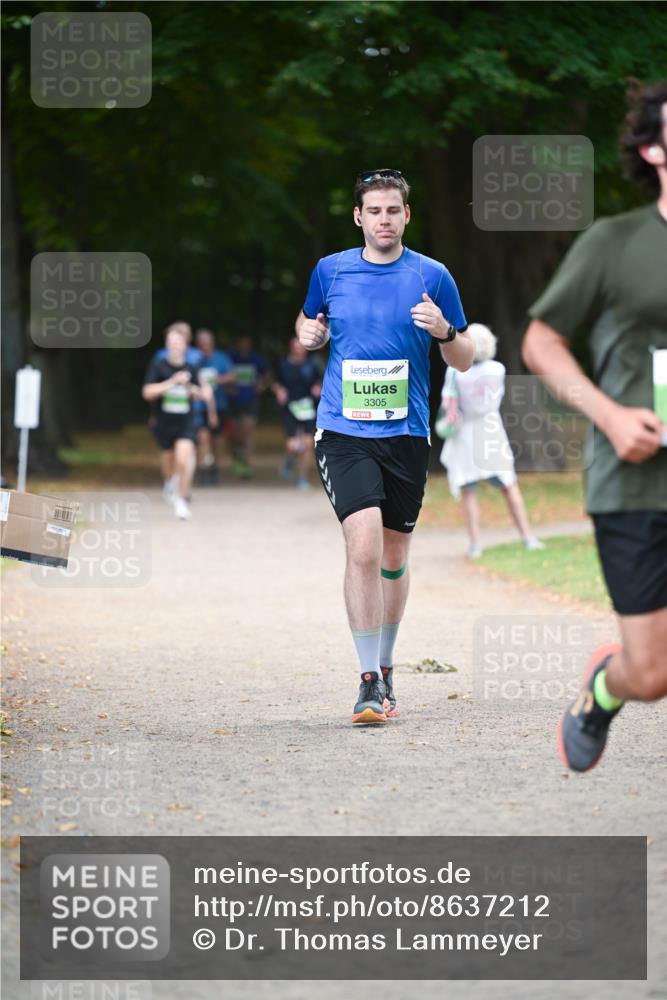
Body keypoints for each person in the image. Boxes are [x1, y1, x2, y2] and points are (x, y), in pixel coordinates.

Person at [522, 79, 667, 772]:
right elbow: (540, 342)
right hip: (635, 483)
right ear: (653, 149)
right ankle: (606, 687)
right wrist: (609, 416)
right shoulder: (614, 242)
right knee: (652, 675)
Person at [296, 168, 474, 724]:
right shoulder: (330, 270)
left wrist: (444, 331)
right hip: (344, 432)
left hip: (406, 434)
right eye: (374, 211)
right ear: (358, 217)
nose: (384, 220)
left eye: (393, 210)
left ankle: (388, 663)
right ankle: (368, 680)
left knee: (395, 557)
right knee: (365, 549)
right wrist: (307, 334)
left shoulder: (432, 275)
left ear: (406, 215)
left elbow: (465, 357)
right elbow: (307, 322)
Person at [439, 322, 544, 557]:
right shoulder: (497, 369)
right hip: (491, 430)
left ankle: (475, 544)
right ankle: (527, 537)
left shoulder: (454, 372)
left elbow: (448, 402)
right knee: (509, 485)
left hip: (465, 433)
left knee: (468, 490)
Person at [142, 327, 218, 520]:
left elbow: (204, 394)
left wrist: (188, 386)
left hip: (186, 421)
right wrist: (171, 382)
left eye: (178, 342)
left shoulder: (192, 368)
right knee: (168, 463)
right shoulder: (159, 366)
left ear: (185, 346)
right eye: (171, 342)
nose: (175, 346)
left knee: (184, 458)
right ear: (167, 345)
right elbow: (147, 392)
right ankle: (169, 482)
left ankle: (181, 500)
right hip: (165, 421)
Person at [272, 338, 322, 490]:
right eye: (296, 347)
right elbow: (274, 382)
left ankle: (302, 477)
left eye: (301, 347)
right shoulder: (283, 364)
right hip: (290, 407)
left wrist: (317, 388)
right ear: (291, 348)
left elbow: (319, 381)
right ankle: (290, 460)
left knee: (307, 444)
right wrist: (279, 390)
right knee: (292, 445)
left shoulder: (312, 365)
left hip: (307, 407)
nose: (299, 350)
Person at [193, 328, 235, 484]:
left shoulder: (221, 358)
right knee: (202, 437)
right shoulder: (194, 359)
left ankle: (215, 467)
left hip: (219, 404)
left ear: (212, 343)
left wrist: (219, 380)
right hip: (199, 406)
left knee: (217, 439)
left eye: (207, 342)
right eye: (201, 343)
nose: (205, 346)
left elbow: (233, 376)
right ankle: (203, 469)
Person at [228, 335, 268, 478]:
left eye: (247, 343)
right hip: (233, 401)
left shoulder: (256, 359)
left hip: (251, 400)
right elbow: (224, 374)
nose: (244, 346)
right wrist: (229, 386)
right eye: (242, 343)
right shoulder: (231, 357)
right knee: (235, 434)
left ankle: (247, 463)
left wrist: (261, 385)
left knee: (247, 432)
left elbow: (266, 375)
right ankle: (236, 457)